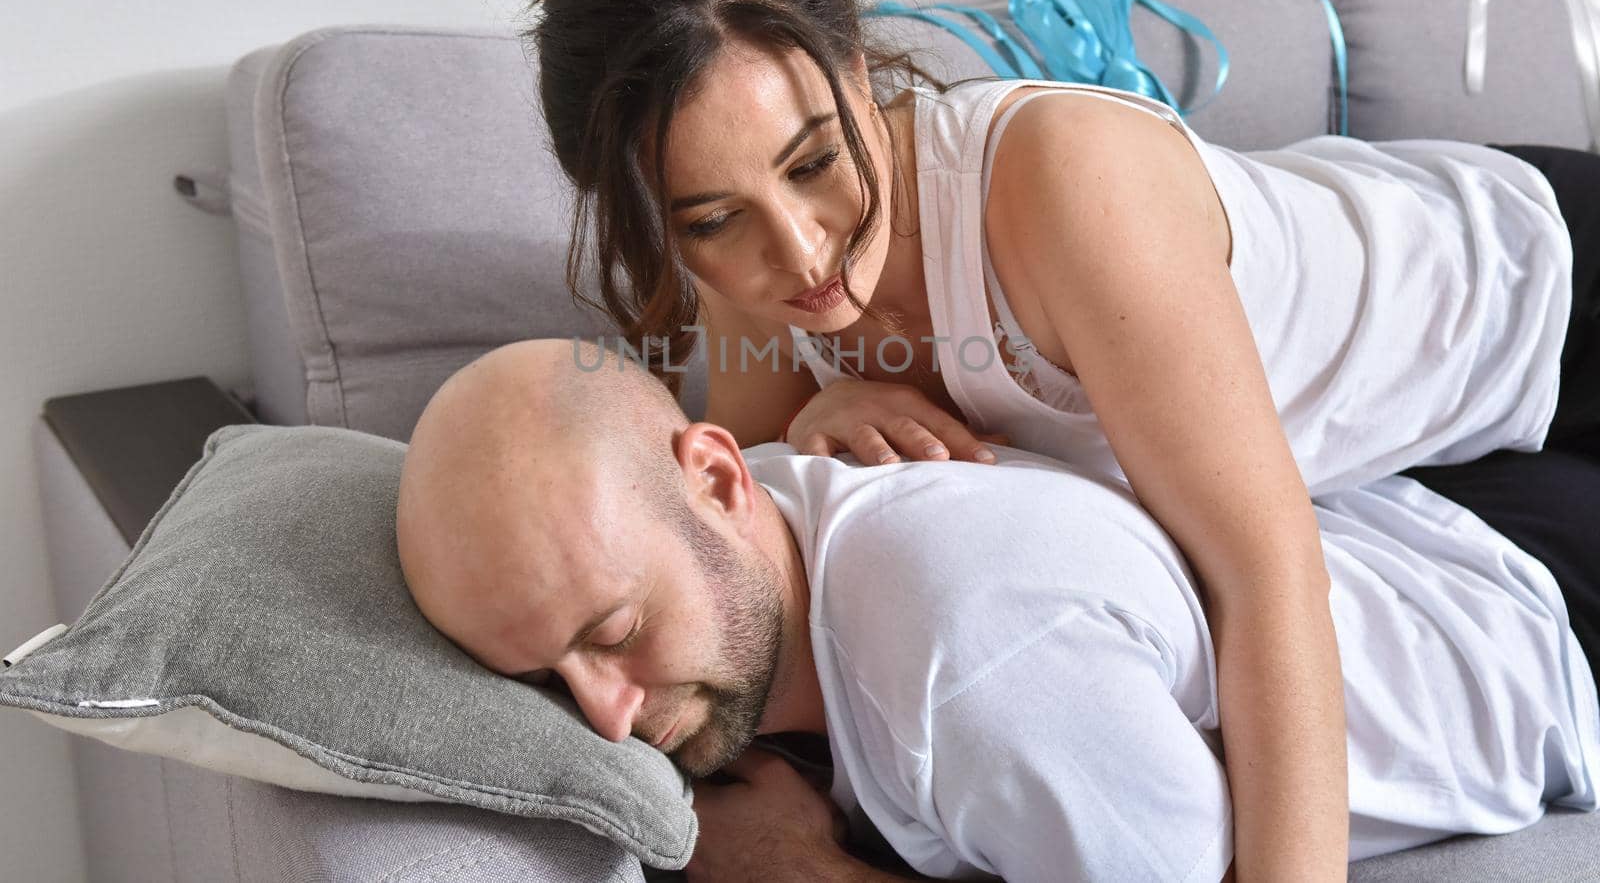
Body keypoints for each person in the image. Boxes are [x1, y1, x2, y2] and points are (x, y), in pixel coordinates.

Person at [500, 0, 1600, 877]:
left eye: (812, 160)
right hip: (1410, 478)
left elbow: (1266, 580)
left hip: (1535, 295)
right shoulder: (752, 285)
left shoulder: (1059, 186)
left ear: (854, 59)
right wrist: (810, 420)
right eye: (708, 218)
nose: (797, 251)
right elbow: (754, 550)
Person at [394, 340, 1600, 883]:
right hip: (1430, 528)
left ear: (719, 478)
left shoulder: (966, 661)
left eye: (609, 633)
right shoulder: (739, 524)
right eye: (545, 677)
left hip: (1540, 631)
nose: (602, 719)